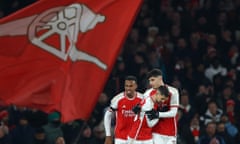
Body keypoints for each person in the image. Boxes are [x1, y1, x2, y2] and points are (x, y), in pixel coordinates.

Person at [104, 75, 143, 144]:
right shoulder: (117, 99)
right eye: (126, 86)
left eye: (131, 86)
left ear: (136, 86)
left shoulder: (142, 99)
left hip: (137, 137)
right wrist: (108, 135)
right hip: (121, 137)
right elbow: (108, 115)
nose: (128, 88)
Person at [144, 68, 179, 144]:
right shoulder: (147, 94)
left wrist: (158, 114)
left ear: (160, 78)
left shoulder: (173, 91)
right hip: (155, 132)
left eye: (152, 80)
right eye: (149, 81)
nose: (150, 83)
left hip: (171, 132)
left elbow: (174, 112)